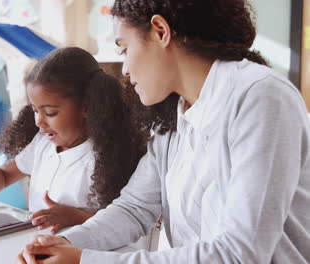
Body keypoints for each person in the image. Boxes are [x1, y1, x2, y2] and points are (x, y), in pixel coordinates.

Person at [17, 0, 310, 263]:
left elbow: (240, 253)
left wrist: (84, 260)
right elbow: (134, 208)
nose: (126, 68)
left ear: (160, 31)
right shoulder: (172, 117)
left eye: (125, 48)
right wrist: (65, 243)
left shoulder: (260, 96)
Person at [0, 47, 148, 234]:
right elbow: (5, 174)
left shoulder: (106, 157)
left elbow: (122, 223)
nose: (39, 122)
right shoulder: (42, 144)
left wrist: (75, 216)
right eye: (35, 110)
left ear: (87, 106)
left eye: (50, 113)